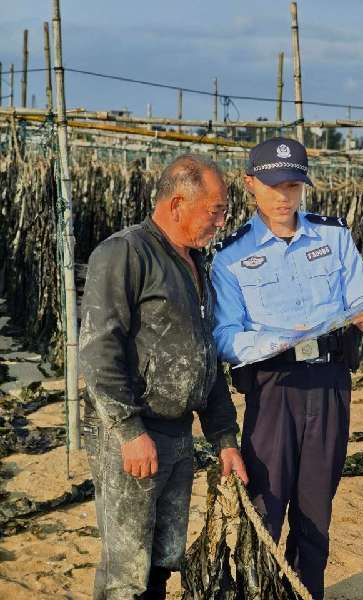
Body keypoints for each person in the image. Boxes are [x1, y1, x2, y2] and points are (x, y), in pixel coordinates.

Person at [211, 137, 363, 599]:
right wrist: (278, 340)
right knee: (266, 505)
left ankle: (307, 592)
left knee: (316, 509)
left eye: (293, 185)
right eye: (273, 185)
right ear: (250, 185)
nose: (284, 196)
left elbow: (362, 297)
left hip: (328, 382)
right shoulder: (230, 256)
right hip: (273, 387)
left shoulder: (333, 236)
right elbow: (224, 337)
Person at [79, 154, 248, 600]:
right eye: (216, 210)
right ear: (177, 203)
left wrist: (225, 438)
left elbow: (204, 355)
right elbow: (98, 350)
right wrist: (129, 430)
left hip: (177, 434)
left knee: (161, 560)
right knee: (126, 568)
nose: (222, 221)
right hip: (132, 436)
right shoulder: (124, 253)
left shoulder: (194, 264)